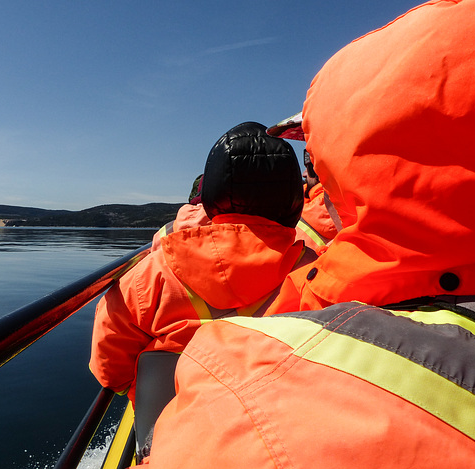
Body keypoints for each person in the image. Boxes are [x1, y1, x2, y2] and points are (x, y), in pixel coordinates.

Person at [109, 0, 475, 469]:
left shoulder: (154, 279)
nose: (315, 174)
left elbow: (112, 360)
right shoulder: (306, 260)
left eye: (320, 160)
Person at [89, 121, 314, 438]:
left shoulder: (148, 275)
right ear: (294, 199)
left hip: (173, 433)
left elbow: (109, 364)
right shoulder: (318, 274)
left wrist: (143, 390)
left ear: (210, 195)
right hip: (280, 432)